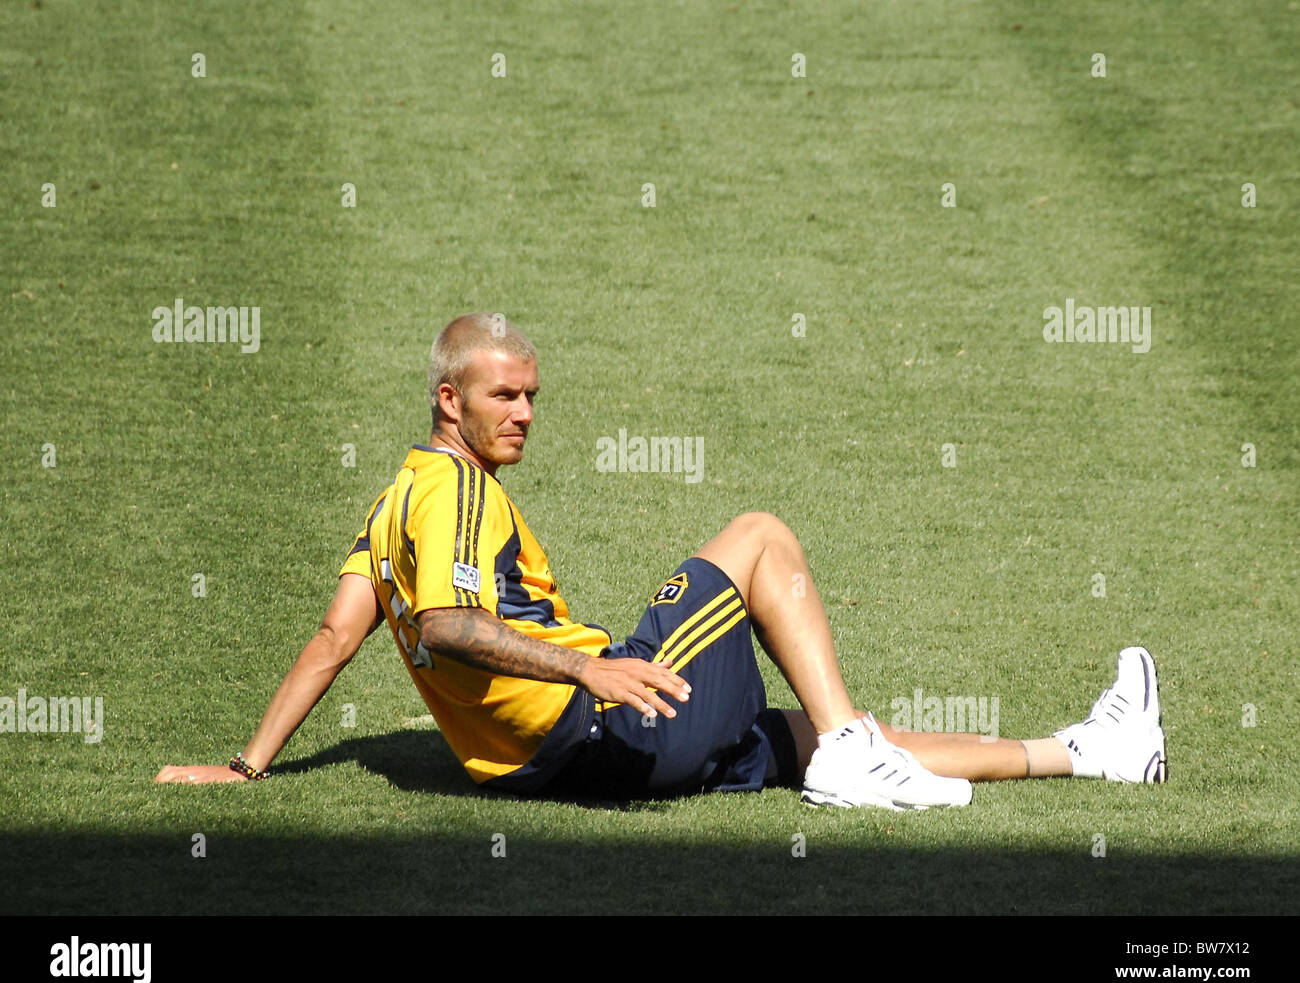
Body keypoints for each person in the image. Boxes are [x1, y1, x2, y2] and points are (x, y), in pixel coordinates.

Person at [156, 313, 1168, 808]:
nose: (523, 414)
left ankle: (1085, 750)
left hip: (558, 771)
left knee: (809, 730)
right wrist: (587, 668)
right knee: (759, 535)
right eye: (503, 396)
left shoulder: (389, 507)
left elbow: (340, 634)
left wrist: (245, 765)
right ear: (446, 401)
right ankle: (856, 763)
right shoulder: (453, 490)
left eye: (533, 396)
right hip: (600, 727)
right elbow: (446, 626)